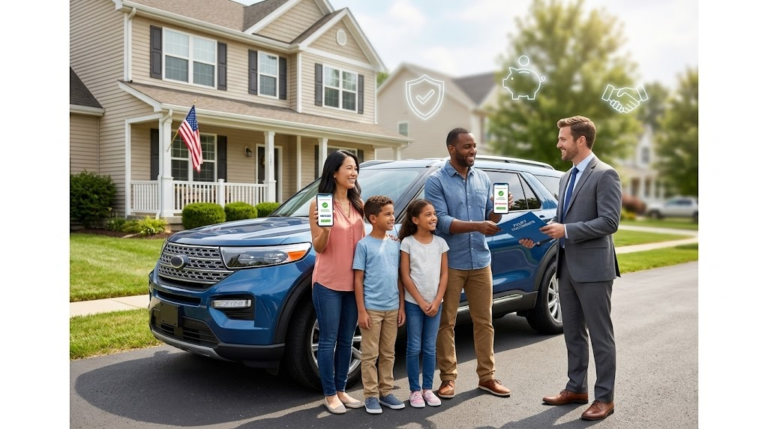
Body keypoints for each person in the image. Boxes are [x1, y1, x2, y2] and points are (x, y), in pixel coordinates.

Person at [520, 115, 622, 421]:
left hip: (594, 269)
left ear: (581, 140)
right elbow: (562, 219)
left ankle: (604, 398)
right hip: (565, 267)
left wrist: (566, 230)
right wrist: (540, 235)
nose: (558, 144)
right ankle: (576, 388)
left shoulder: (605, 174)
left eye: (563, 139)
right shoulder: (566, 178)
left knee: (601, 336)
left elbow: (609, 221)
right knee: (573, 334)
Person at [425, 127, 514, 399]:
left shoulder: (483, 178)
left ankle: (487, 377)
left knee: (484, 321)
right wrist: (478, 225)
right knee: (446, 323)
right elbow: (440, 221)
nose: (473, 151)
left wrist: (498, 210)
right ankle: (448, 379)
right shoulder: (436, 181)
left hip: (481, 261)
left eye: (474, 146)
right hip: (450, 262)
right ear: (452, 149)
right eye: (467, 147)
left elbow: (491, 219)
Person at [309, 150, 366, 415]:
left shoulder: (358, 204)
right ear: (334, 172)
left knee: (346, 340)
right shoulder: (319, 205)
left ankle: (342, 390)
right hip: (328, 283)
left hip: (353, 283)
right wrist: (326, 230)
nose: (354, 173)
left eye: (355, 168)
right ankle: (330, 394)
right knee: (328, 340)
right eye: (349, 168)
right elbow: (319, 248)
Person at [352, 195, 407, 415]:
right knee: (369, 354)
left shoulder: (395, 243)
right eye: (387, 214)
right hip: (372, 310)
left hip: (392, 308)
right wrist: (362, 311)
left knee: (388, 353)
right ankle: (371, 396)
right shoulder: (363, 245)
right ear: (373, 218)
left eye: (393, 213)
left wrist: (401, 306)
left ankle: (386, 392)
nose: (392, 217)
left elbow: (399, 277)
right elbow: (358, 280)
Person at [398, 199, 450, 408]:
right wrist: (420, 301)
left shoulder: (440, 243)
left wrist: (436, 301)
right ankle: (415, 390)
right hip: (414, 304)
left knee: (429, 347)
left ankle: (428, 389)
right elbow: (405, 275)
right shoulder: (407, 243)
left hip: (435, 304)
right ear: (415, 220)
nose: (434, 217)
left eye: (434, 213)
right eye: (428, 214)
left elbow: (444, 274)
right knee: (414, 347)